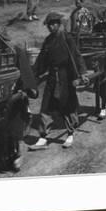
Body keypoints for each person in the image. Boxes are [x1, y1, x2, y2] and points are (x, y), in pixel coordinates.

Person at [30, 12, 88, 150]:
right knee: (46, 106)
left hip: (66, 76)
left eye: (53, 24)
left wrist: (82, 73)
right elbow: (41, 60)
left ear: (58, 24)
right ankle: (43, 137)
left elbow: (77, 56)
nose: (50, 27)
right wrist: (33, 74)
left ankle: (70, 134)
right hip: (52, 77)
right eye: (49, 25)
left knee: (68, 105)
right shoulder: (48, 41)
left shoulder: (67, 38)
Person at [0, 43, 38, 172]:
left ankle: (18, 155)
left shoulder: (16, 51)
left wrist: (28, 88)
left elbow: (26, 72)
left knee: (16, 127)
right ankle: (3, 155)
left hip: (16, 95)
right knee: (0, 126)